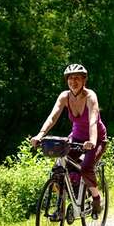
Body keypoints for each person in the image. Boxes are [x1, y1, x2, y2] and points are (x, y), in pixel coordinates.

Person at [31, 64, 107, 216]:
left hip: (96, 139)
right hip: (76, 138)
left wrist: (92, 140)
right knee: (58, 169)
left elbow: (93, 120)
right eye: (71, 78)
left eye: (77, 78)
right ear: (67, 81)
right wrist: (40, 135)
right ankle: (61, 205)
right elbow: (52, 117)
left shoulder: (90, 96)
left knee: (86, 167)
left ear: (84, 80)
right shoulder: (64, 96)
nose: (74, 81)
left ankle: (96, 199)